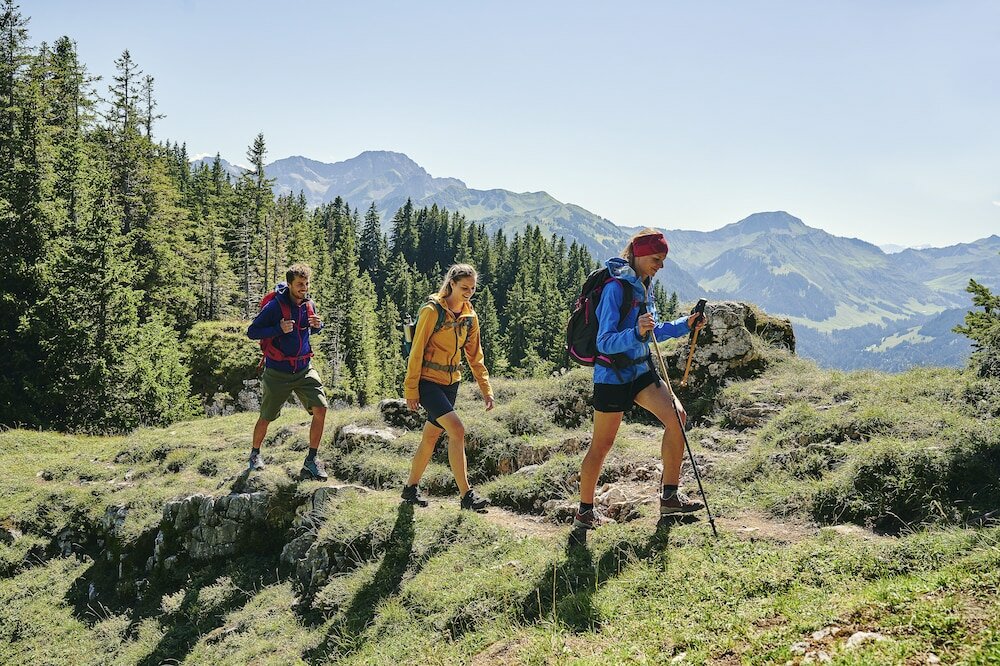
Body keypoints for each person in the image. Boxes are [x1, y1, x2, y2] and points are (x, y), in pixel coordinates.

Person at [573, 229, 706, 530]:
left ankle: (670, 498)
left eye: (663, 260)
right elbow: (604, 342)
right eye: (656, 259)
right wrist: (636, 332)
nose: (660, 266)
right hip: (611, 375)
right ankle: (584, 512)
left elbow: (653, 332)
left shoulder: (644, 285)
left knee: (678, 418)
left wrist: (685, 324)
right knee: (602, 445)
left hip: (640, 370)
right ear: (638, 254)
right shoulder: (616, 289)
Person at [401, 263, 495, 511]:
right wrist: (411, 390)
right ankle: (467, 496)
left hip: (451, 383)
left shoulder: (469, 317)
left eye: (473, 288)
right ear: (451, 284)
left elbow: (475, 356)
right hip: (428, 383)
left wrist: (486, 388)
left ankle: (410, 489)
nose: (469, 292)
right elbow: (417, 351)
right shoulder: (432, 311)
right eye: (464, 287)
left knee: (431, 437)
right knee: (457, 430)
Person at [246, 263, 330, 481]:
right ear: (291, 285)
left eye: (307, 283)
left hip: (304, 369)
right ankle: (255, 454)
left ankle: (311, 460)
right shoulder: (275, 307)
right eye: (300, 284)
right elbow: (252, 331)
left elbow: (312, 328)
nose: (304, 288)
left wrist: (318, 325)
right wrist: (277, 329)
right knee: (267, 416)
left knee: (321, 409)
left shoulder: (309, 304)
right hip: (278, 372)